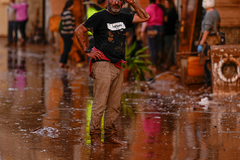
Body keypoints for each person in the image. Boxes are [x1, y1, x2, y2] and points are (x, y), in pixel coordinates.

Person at [74, 0, 150, 147]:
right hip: (102, 64)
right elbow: (79, 30)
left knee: (115, 104)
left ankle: (110, 135)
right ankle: (95, 136)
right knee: (100, 102)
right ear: (108, 1)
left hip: (117, 64)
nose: (116, 2)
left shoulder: (124, 16)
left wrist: (133, 3)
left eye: (119, 0)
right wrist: (87, 50)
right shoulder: (99, 17)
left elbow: (145, 17)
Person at [197, 0, 220, 92]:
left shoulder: (209, 14)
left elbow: (207, 30)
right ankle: (208, 85)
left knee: (208, 65)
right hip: (215, 40)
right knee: (210, 64)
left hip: (210, 42)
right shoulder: (215, 12)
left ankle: (210, 85)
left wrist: (201, 43)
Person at [140, 0, 164, 69]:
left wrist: (142, 31)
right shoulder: (160, 9)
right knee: (159, 47)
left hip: (151, 29)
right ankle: (158, 64)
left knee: (152, 47)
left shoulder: (148, 9)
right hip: (160, 29)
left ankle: (153, 64)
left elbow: (145, 21)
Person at [59, 0, 75, 68]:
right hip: (67, 33)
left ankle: (64, 63)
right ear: (70, 6)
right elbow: (69, 25)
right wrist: (72, 35)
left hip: (64, 33)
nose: (73, 6)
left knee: (67, 48)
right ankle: (61, 62)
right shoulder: (68, 13)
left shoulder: (65, 12)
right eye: (72, 5)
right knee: (67, 49)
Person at [163, 0, 178, 67]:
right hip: (171, 31)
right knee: (169, 47)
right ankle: (170, 61)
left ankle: (170, 62)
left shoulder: (169, 12)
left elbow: (166, 21)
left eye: (166, 3)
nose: (165, 4)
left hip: (168, 32)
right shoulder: (174, 11)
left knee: (169, 48)